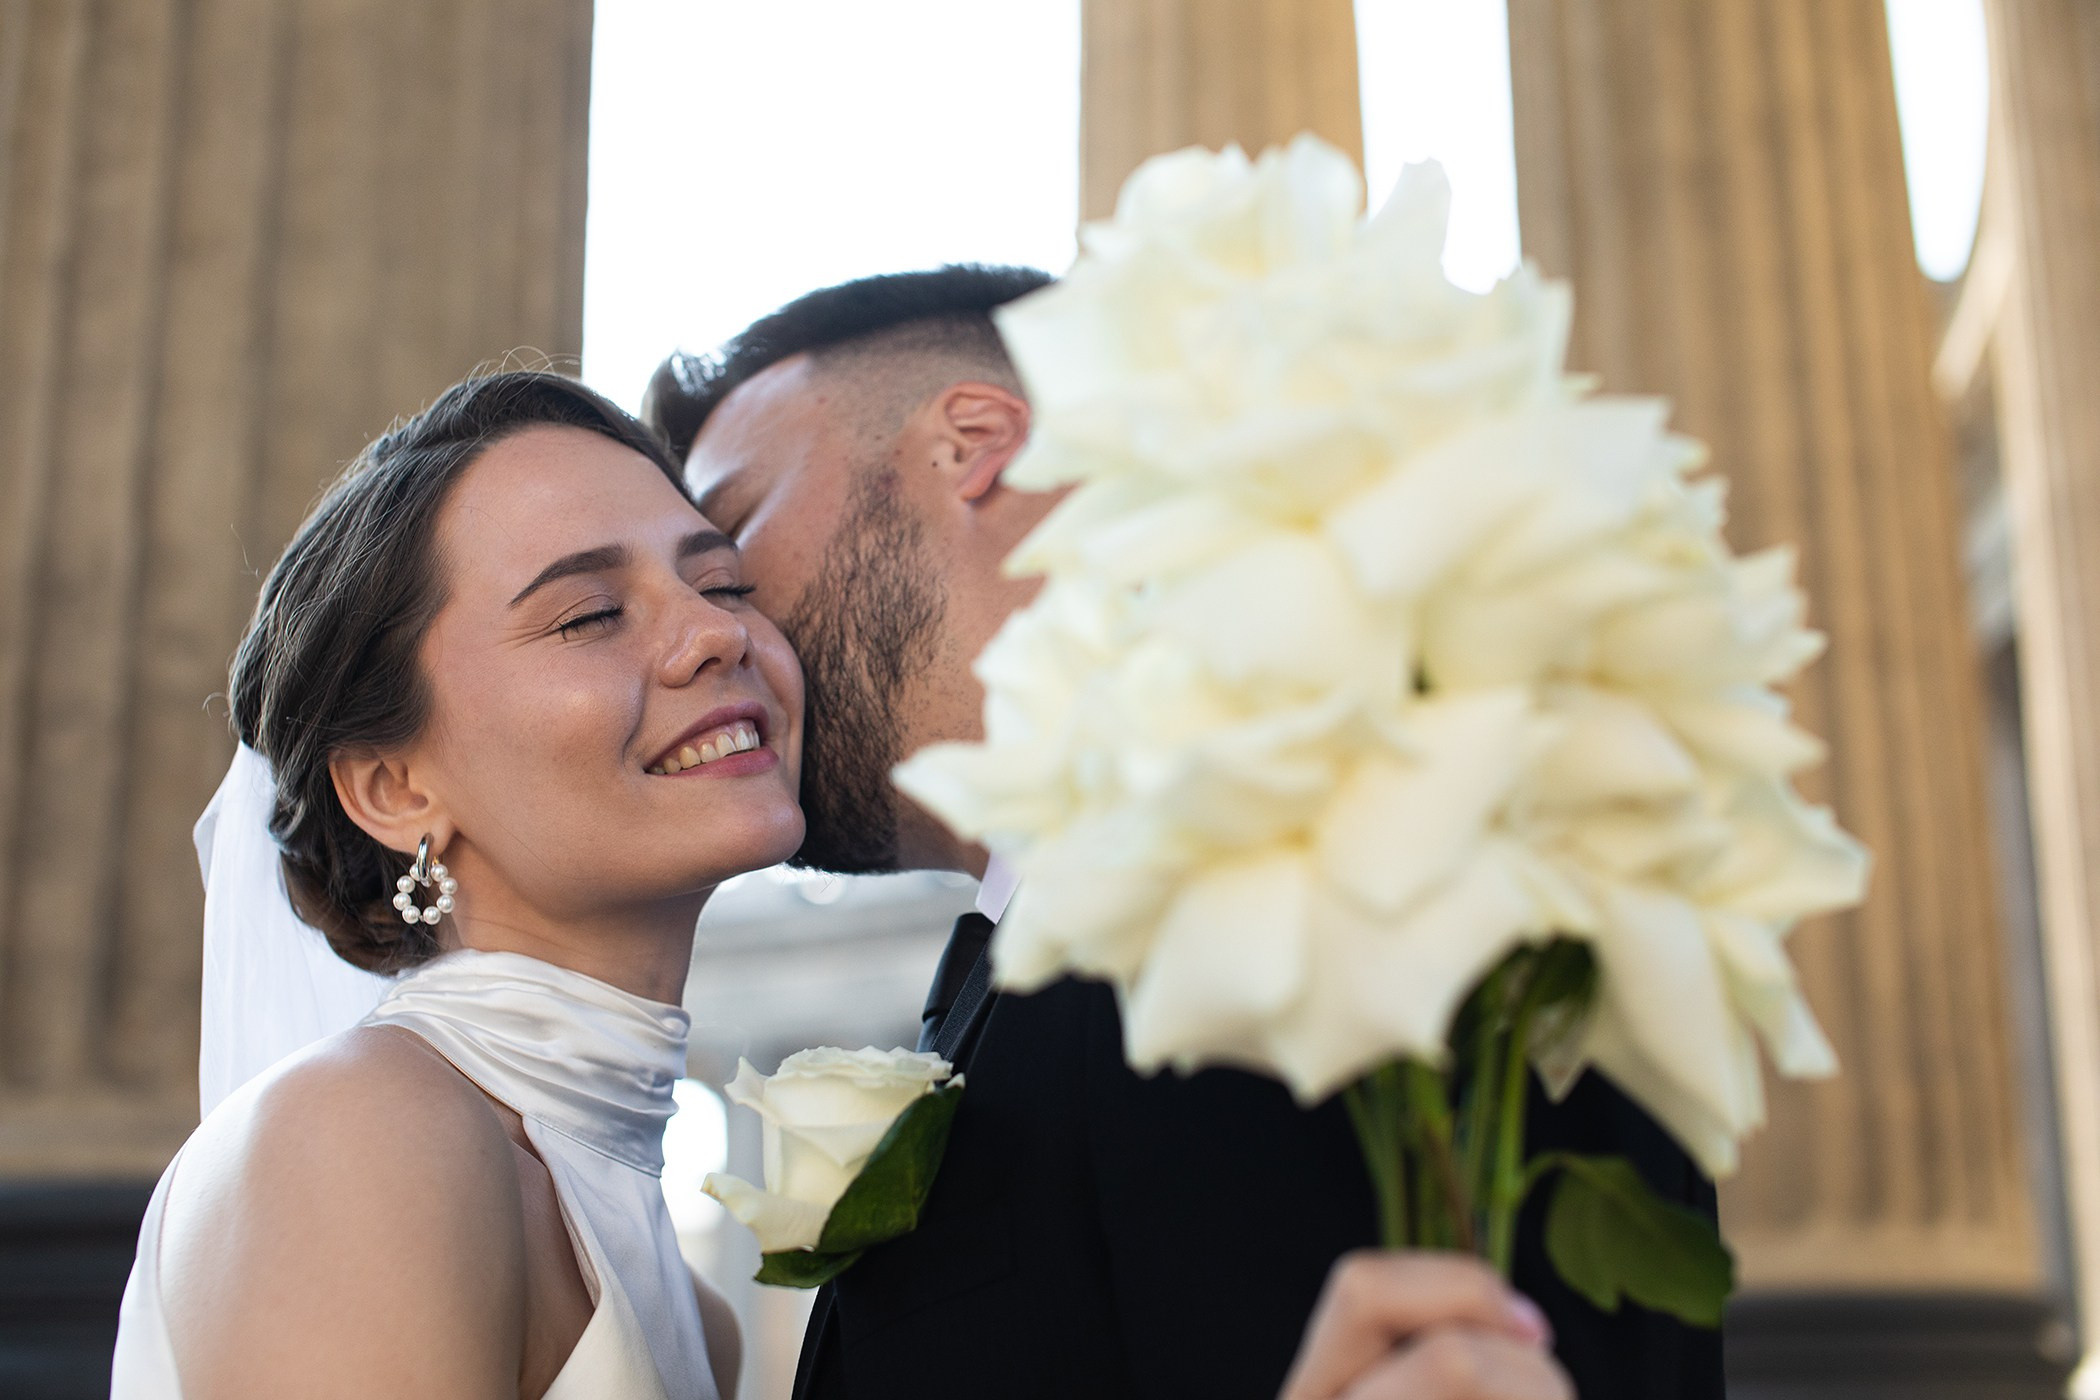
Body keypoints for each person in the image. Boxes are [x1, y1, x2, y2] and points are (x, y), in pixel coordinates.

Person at [122, 368, 1568, 1400]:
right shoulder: (364, 1140)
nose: (711, 636)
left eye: (725, 581)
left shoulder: (690, 1298)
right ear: (393, 787)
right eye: (586, 613)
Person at [650, 265, 1726, 1400]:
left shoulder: (1294, 886)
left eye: (727, 544)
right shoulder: (1073, 932)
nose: (708, 630)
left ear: (972, 441)